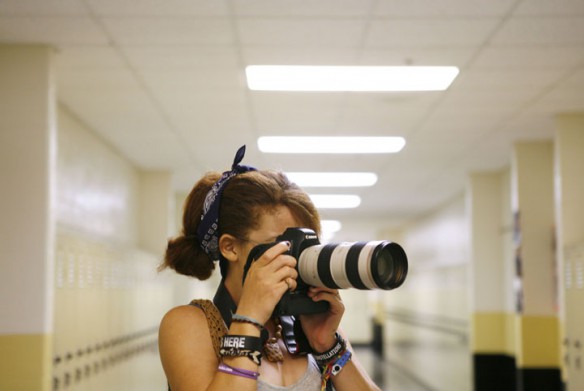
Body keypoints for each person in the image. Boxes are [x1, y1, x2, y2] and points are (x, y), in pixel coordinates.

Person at [158, 146, 381, 391]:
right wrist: (250, 318)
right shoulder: (188, 325)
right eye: (285, 243)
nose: (295, 258)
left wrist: (328, 346)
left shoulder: (312, 327)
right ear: (230, 247)